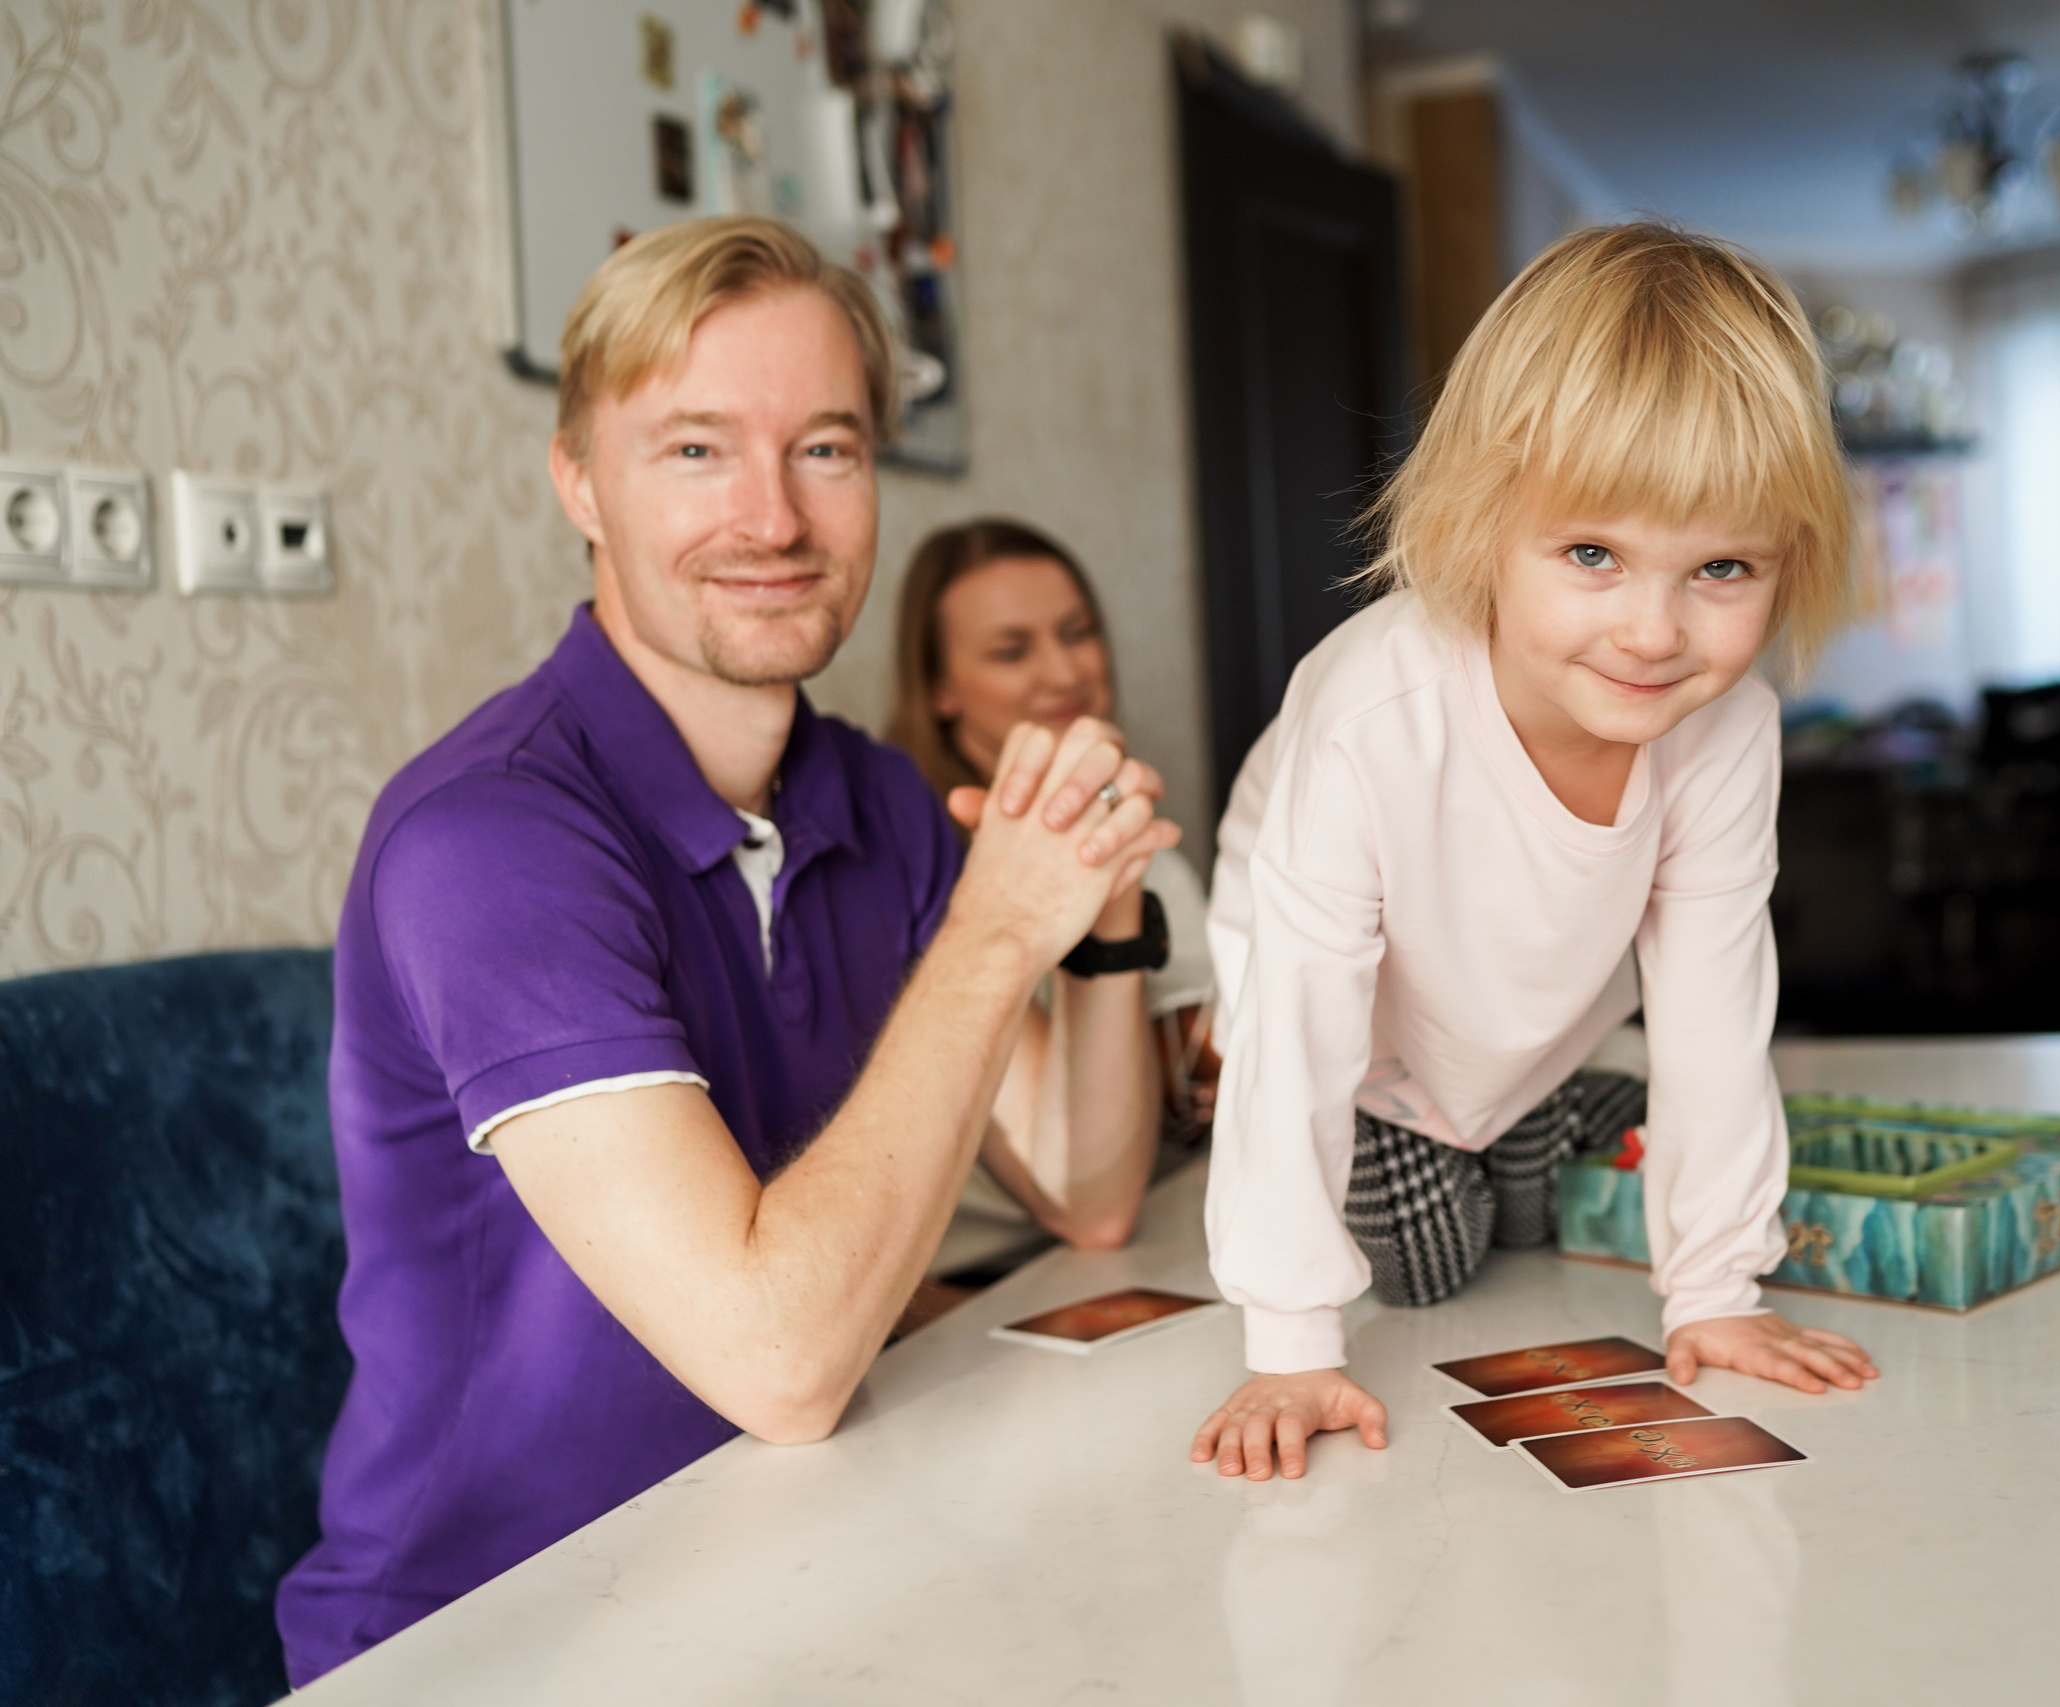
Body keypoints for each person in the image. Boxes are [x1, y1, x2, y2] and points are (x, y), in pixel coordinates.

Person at [275, 216, 1179, 1681]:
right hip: (488, 1633)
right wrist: (1001, 921)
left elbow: (1086, 1188)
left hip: (788, 1560)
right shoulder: (489, 838)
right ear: (579, 478)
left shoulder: (876, 797)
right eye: (697, 450)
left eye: (824, 448)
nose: (774, 518)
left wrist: (1104, 903)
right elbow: (782, 1360)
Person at [1192, 222, 1880, 1483]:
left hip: (1526, 1028)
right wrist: (1289, 1343)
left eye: (1721, 567)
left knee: (1621, 1136)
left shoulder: (1727, 729)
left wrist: (1714, 1288)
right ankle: (1501, 1142)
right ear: (1481, 522)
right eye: (1591, 556)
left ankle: (1526, 1128)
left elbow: (1715, 1008)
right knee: (1437, 1257)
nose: (1654, 631)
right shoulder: (1369, 715)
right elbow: (1300, 1020)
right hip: (1358, 1058)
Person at [886, 519, 1221, 1281]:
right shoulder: (911, 861)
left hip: (1138, 1234)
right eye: (1012, 650)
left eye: (1078, 632)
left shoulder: (1140, 839)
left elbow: (1200, 1073)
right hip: (972, 1281)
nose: (1064, 670)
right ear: (938, 687)